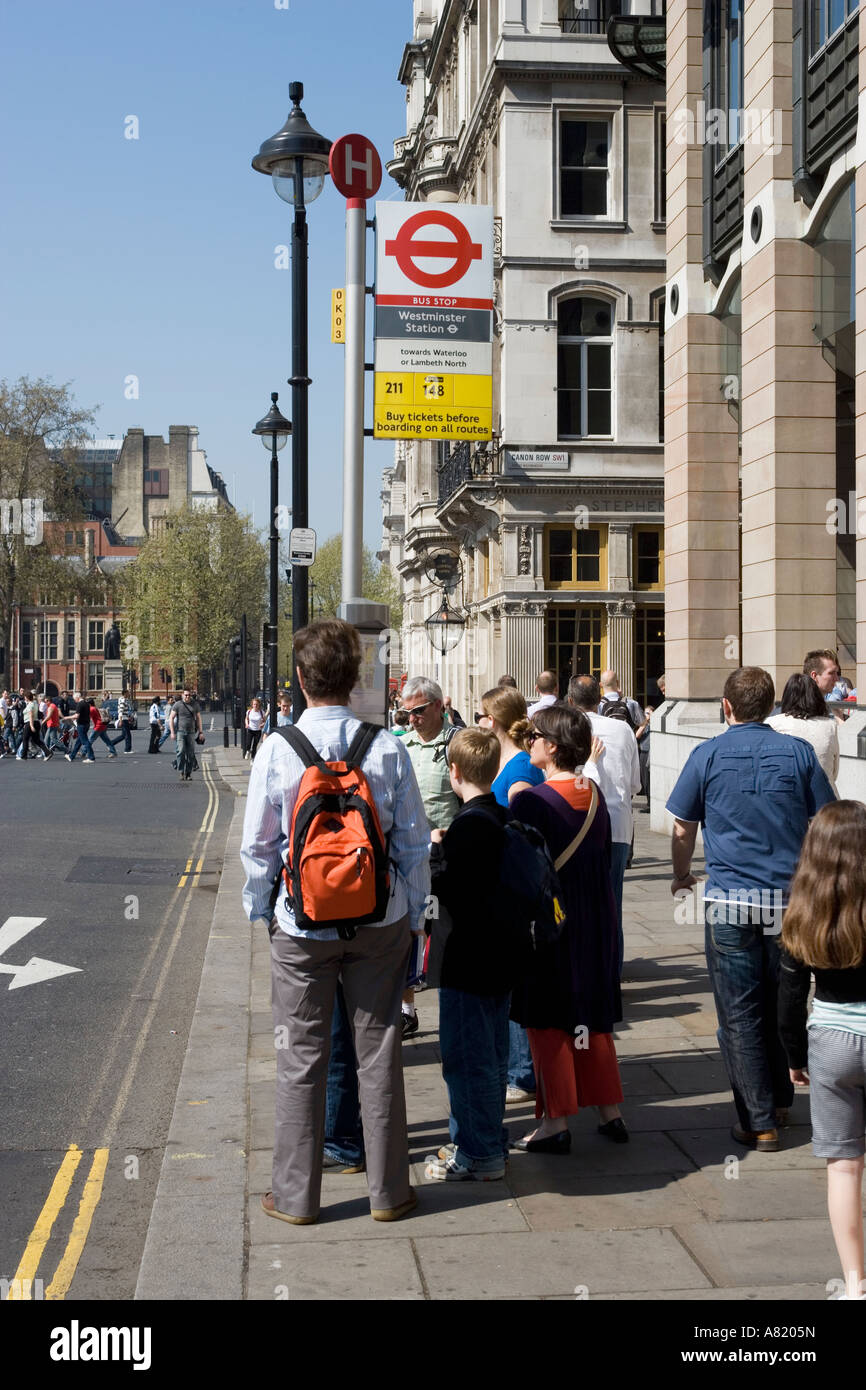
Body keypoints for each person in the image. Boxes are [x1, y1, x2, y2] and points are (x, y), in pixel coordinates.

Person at [240, 618, 430, 1226]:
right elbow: (413, 845)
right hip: (381, 924)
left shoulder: (276, 748)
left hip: (301, 927)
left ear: (300, 678)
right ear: (355, 679)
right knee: (379, 1051)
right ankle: (390, 1193)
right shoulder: (388, 747)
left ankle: (295, 1199)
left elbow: (259, 849)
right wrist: (415, 918)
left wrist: (262, 912)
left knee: (300, 1057)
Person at [666, 666, 836, 1152]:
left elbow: (682, 827)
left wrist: (681, 877)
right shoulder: (799, 753)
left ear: (727, 706)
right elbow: (826, 820)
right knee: (783, 1004)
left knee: (739, 1014)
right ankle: (779, 1099)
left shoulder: (708, 753)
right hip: (786, 903)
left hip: (730, 902)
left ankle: (759, 1118)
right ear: (771, 707)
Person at [510, 704, 627, 1150]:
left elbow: (521, 870)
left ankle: (556, 1123)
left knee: (547, 1024)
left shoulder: (530, 801)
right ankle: (609, 1111)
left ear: (552, 746)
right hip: (594, 922)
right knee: (591, 1020)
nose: (529, 742)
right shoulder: (593, 793)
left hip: (551, 927)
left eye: (535, 736)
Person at [424, 727, 524, 1181]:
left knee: (466, 1059)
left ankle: (478, 1153)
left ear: (455, 772)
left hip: (467, 959)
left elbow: (448, 893)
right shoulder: (502, 818)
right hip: (503, 955)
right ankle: (486, 1140)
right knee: (493, 1054)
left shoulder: (468, 828)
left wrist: (434, 856)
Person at [778, 801, 866, 1300]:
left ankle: (855, 1284)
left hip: (831, 1040)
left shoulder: (804, 908)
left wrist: (795, 1055)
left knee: (844, 1165)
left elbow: (789, 994)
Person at [477, 685, 545, 1103]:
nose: (478, 722)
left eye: (483, 716)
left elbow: (523, 833)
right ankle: (515, 1067)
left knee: (513, 985)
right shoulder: (506, 760)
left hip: (511, 889)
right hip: (498, 886)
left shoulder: (519, 772)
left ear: (497, 721)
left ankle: (521, 1074)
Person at [400, 675, 461, 1039]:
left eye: (419, 711)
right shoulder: (400, 746)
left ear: (439, 705)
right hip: (410, 855)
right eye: (407, 713)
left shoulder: (456, 744)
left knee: (446, 936)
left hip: (447, 855)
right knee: (410, 931)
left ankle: (452, 1007)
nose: (413, 719)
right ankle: (408, 1009)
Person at [568, 676, 641, 976]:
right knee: (613, 903)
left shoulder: (568, 730)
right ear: (599, 700)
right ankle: (611, 971)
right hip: (618, 824)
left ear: (571, 701)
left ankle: (586, 967)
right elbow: (636, 783)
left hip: (579, 824)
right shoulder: (624, 729)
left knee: (579, 902)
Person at [766, 672, 839, 790]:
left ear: (787, 697)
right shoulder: (830, 725)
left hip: (788, 796)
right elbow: (834, 772)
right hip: (826, 799)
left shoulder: (772, 723)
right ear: (816, 697)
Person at [169, 688, 203, 780]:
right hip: (180, 732)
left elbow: (199, 718)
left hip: (191, 732)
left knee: (190, 753)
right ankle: (181, 771)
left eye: (189, 695)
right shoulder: (178, 705)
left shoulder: (195, 705)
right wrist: (172, 732)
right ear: (183, 695)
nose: (187, 696)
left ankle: (188, 773)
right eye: (186, 695)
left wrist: (201, 732)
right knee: (181, 751)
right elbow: (171, 718)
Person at [18, 693, 53, 761]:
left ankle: (23, 755)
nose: (24, 698)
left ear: (27, 697)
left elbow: (31, 715)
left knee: (25, 739)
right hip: (36, 722)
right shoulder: (35, 703)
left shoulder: (30, 705)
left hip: (30, 722)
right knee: (36, 740)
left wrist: (31, 725)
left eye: (25, 697)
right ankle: (47, 752)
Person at [63, 692, 96, 763]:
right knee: (79, 742)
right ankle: (71, 756)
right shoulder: (86, 703)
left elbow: (76, 716)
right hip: (86, 724)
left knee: (85, 741)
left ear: (77, 697)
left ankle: (91, 757)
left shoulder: (80, 704)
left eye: (74, 699)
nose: (74, 700)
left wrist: (66, 717)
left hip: (81, 725)